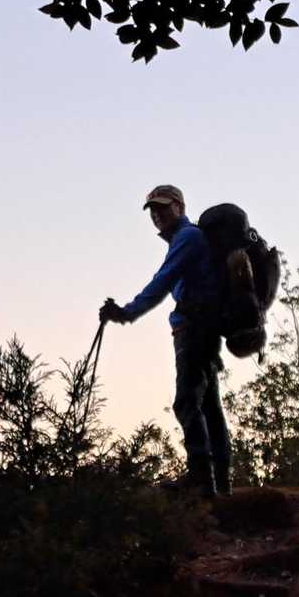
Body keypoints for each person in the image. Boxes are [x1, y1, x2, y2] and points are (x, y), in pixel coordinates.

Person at [100, 184, 232, 498]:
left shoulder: (188, 237)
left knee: (186, 401)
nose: (157, 215)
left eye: (163, 207)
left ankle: (201, 478)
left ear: (179, 206)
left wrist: (126, 312)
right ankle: (220, 484)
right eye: (153, 210)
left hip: (193, 328)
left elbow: (163, 280)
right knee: (209, 406)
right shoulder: (190, 239)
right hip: (204, 328)